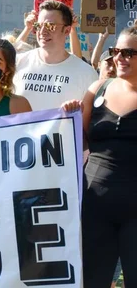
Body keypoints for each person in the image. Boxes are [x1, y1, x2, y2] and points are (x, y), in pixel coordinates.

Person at [61, 27, 137, 288]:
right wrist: (66, 117)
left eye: (129, 52)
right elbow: (77, 140)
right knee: (92, 280)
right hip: (95, 205)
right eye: (116, 51)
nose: (119, 58)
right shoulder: (98, 88)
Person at [13, 0, 98, 111]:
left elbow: (89, 120)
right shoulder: (18, 63)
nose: (42, 31)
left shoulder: (86, 73)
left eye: (50, 26)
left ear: (67, 30)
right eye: (38, 26)